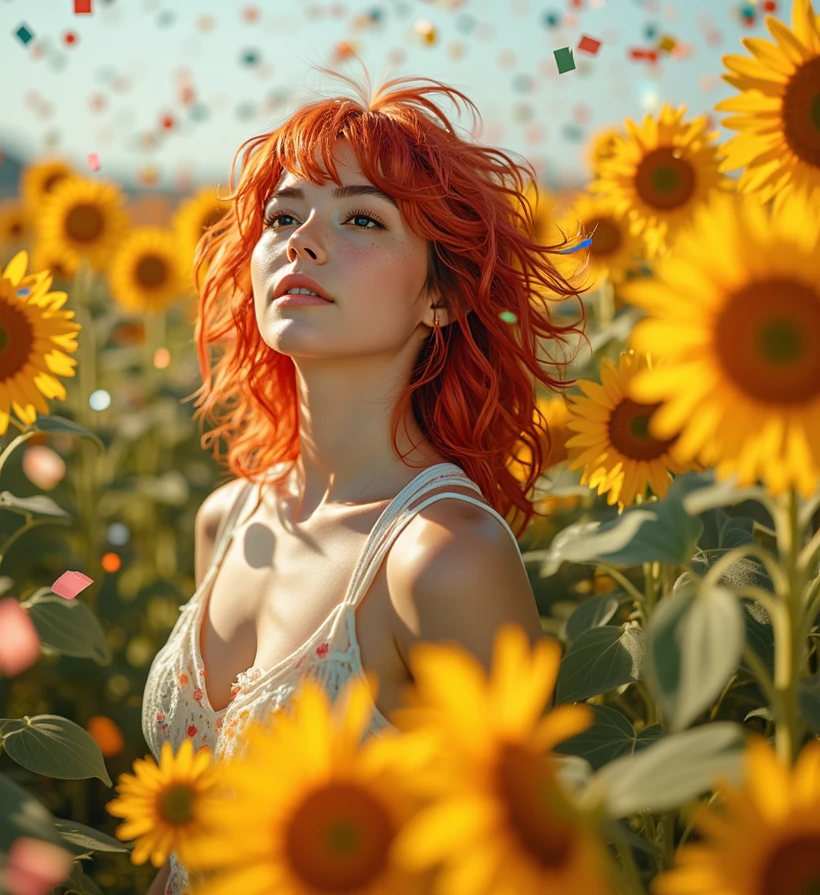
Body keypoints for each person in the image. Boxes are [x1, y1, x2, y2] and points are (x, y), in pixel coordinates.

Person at [141, 63, 591, 894]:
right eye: (283, 216)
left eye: (361, 218)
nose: (300, 242)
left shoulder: (445, 559)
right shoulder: (229, 517)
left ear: (443, 299)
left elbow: (517, 864)